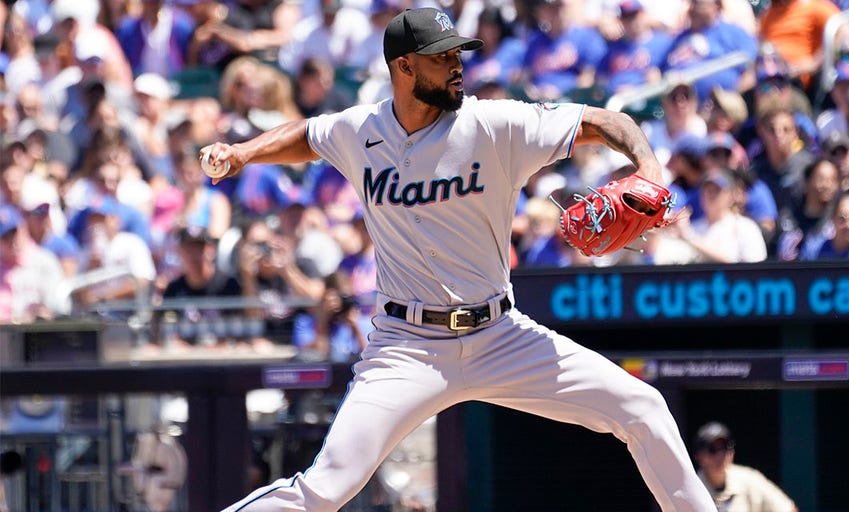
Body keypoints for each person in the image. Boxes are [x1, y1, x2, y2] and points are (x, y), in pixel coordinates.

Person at [201, 7, 716, 511]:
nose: (457, 65)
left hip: (500, 335)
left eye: (458, 53)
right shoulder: (362, 129)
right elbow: (308, 135)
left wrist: (649, 167)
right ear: (404, 67)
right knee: (328, 486)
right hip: (406, 346)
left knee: (643, 408)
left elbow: (608, 120)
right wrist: (243, 153)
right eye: (441, 56)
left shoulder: (494, 124)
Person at [692, 421, 798, 512]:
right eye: (713, 449)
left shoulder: (749, 479)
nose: (721, 455)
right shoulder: (690, 488)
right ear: (698, 456)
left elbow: (788, 509)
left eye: (725, 447)